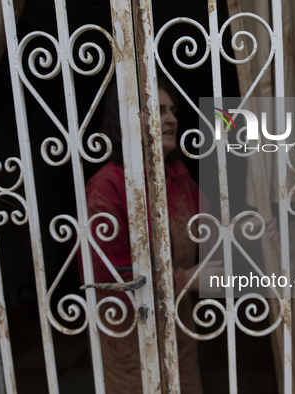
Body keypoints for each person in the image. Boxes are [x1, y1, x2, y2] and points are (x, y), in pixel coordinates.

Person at [80, 79, 221, 393]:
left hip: (178, 327)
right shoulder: (107, 186)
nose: (172, 118)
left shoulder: (177, 176)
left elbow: (212, 230)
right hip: (130, 335)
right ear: (128, 120)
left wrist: (254, 225)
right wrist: (185, 279)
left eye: (172, 110)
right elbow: (109, 274)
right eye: (158, 111)